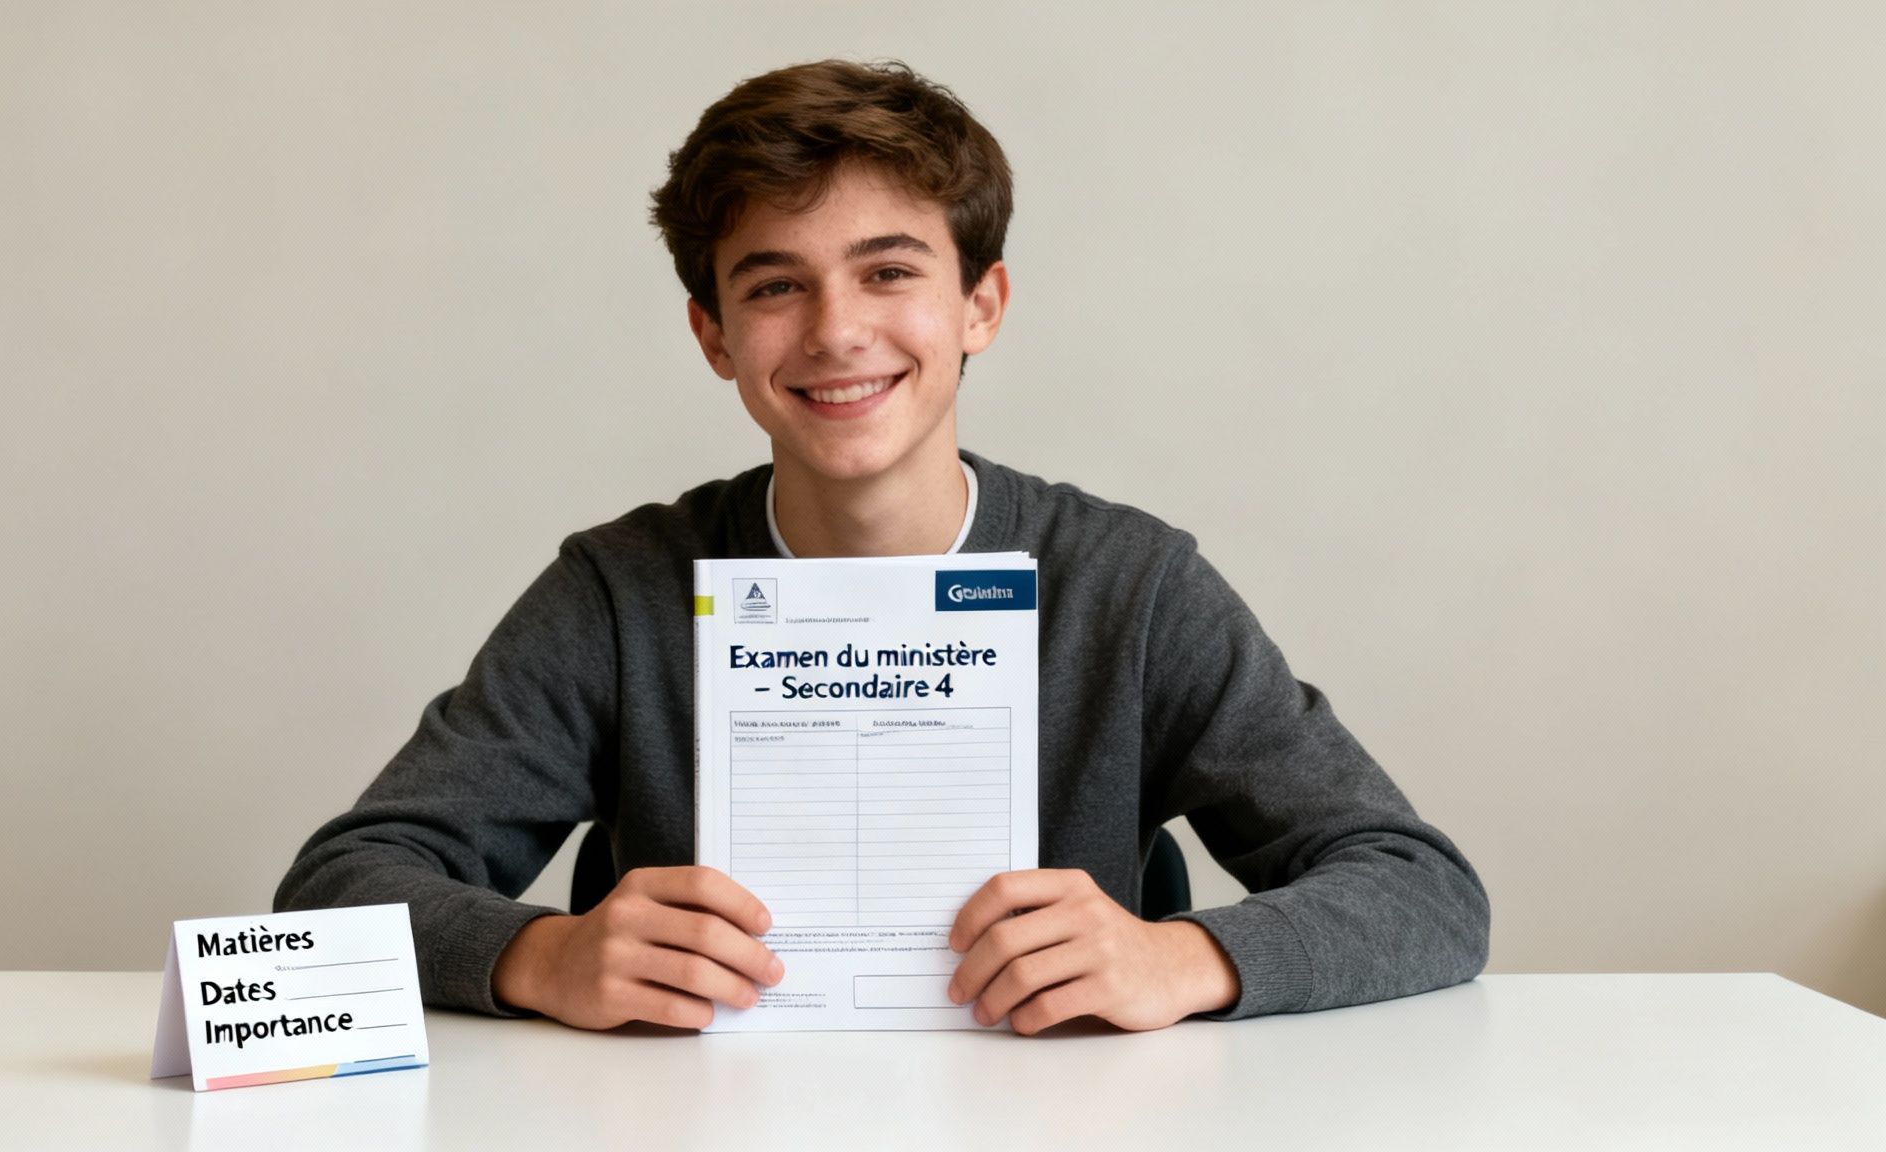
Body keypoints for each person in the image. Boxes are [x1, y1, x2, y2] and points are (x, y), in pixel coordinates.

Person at [275, 58, 1490, 1035]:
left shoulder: (1127, 588)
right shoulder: (618, 592)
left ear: (979, 306)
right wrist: (538, 955)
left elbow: (1420, 889)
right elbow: (339, 887)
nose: (835, 331)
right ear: (712, 335)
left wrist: (1184, 959)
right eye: (773, 286)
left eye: (887, 271)